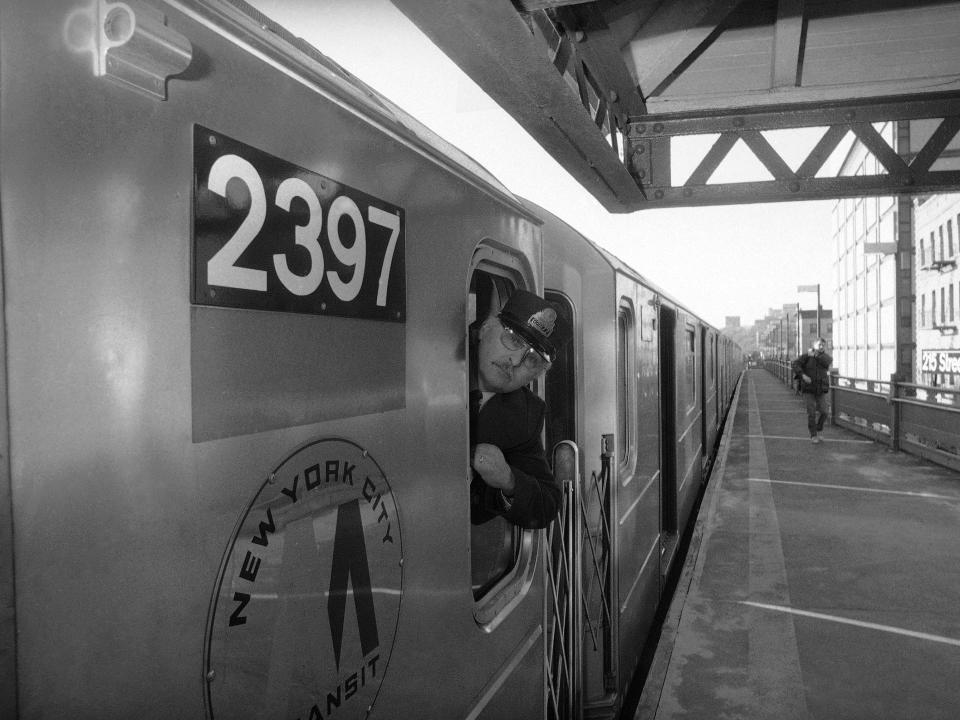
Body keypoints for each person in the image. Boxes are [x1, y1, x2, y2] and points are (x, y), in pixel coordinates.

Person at [469, 289, 571, 529]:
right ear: (485, 329)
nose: (514, 361)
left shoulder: (524, 415)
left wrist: (509, 480)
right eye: (514, 339)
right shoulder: (436, 364)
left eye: (532, 360)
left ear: (536, 376)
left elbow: (547, 505)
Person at [792, 337, 832, 443]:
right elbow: (795, 364)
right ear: (814, 345)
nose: (822, 346)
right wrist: (803, 375)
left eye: (823, 344)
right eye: (819, 344)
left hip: (820, 389)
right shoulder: (806, 357)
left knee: (824, 412)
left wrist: (815, 355)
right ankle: (813, 435)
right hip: (808, 389)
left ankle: (818, 429)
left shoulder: (826, 357)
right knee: (812, 413)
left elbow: (827, 362)